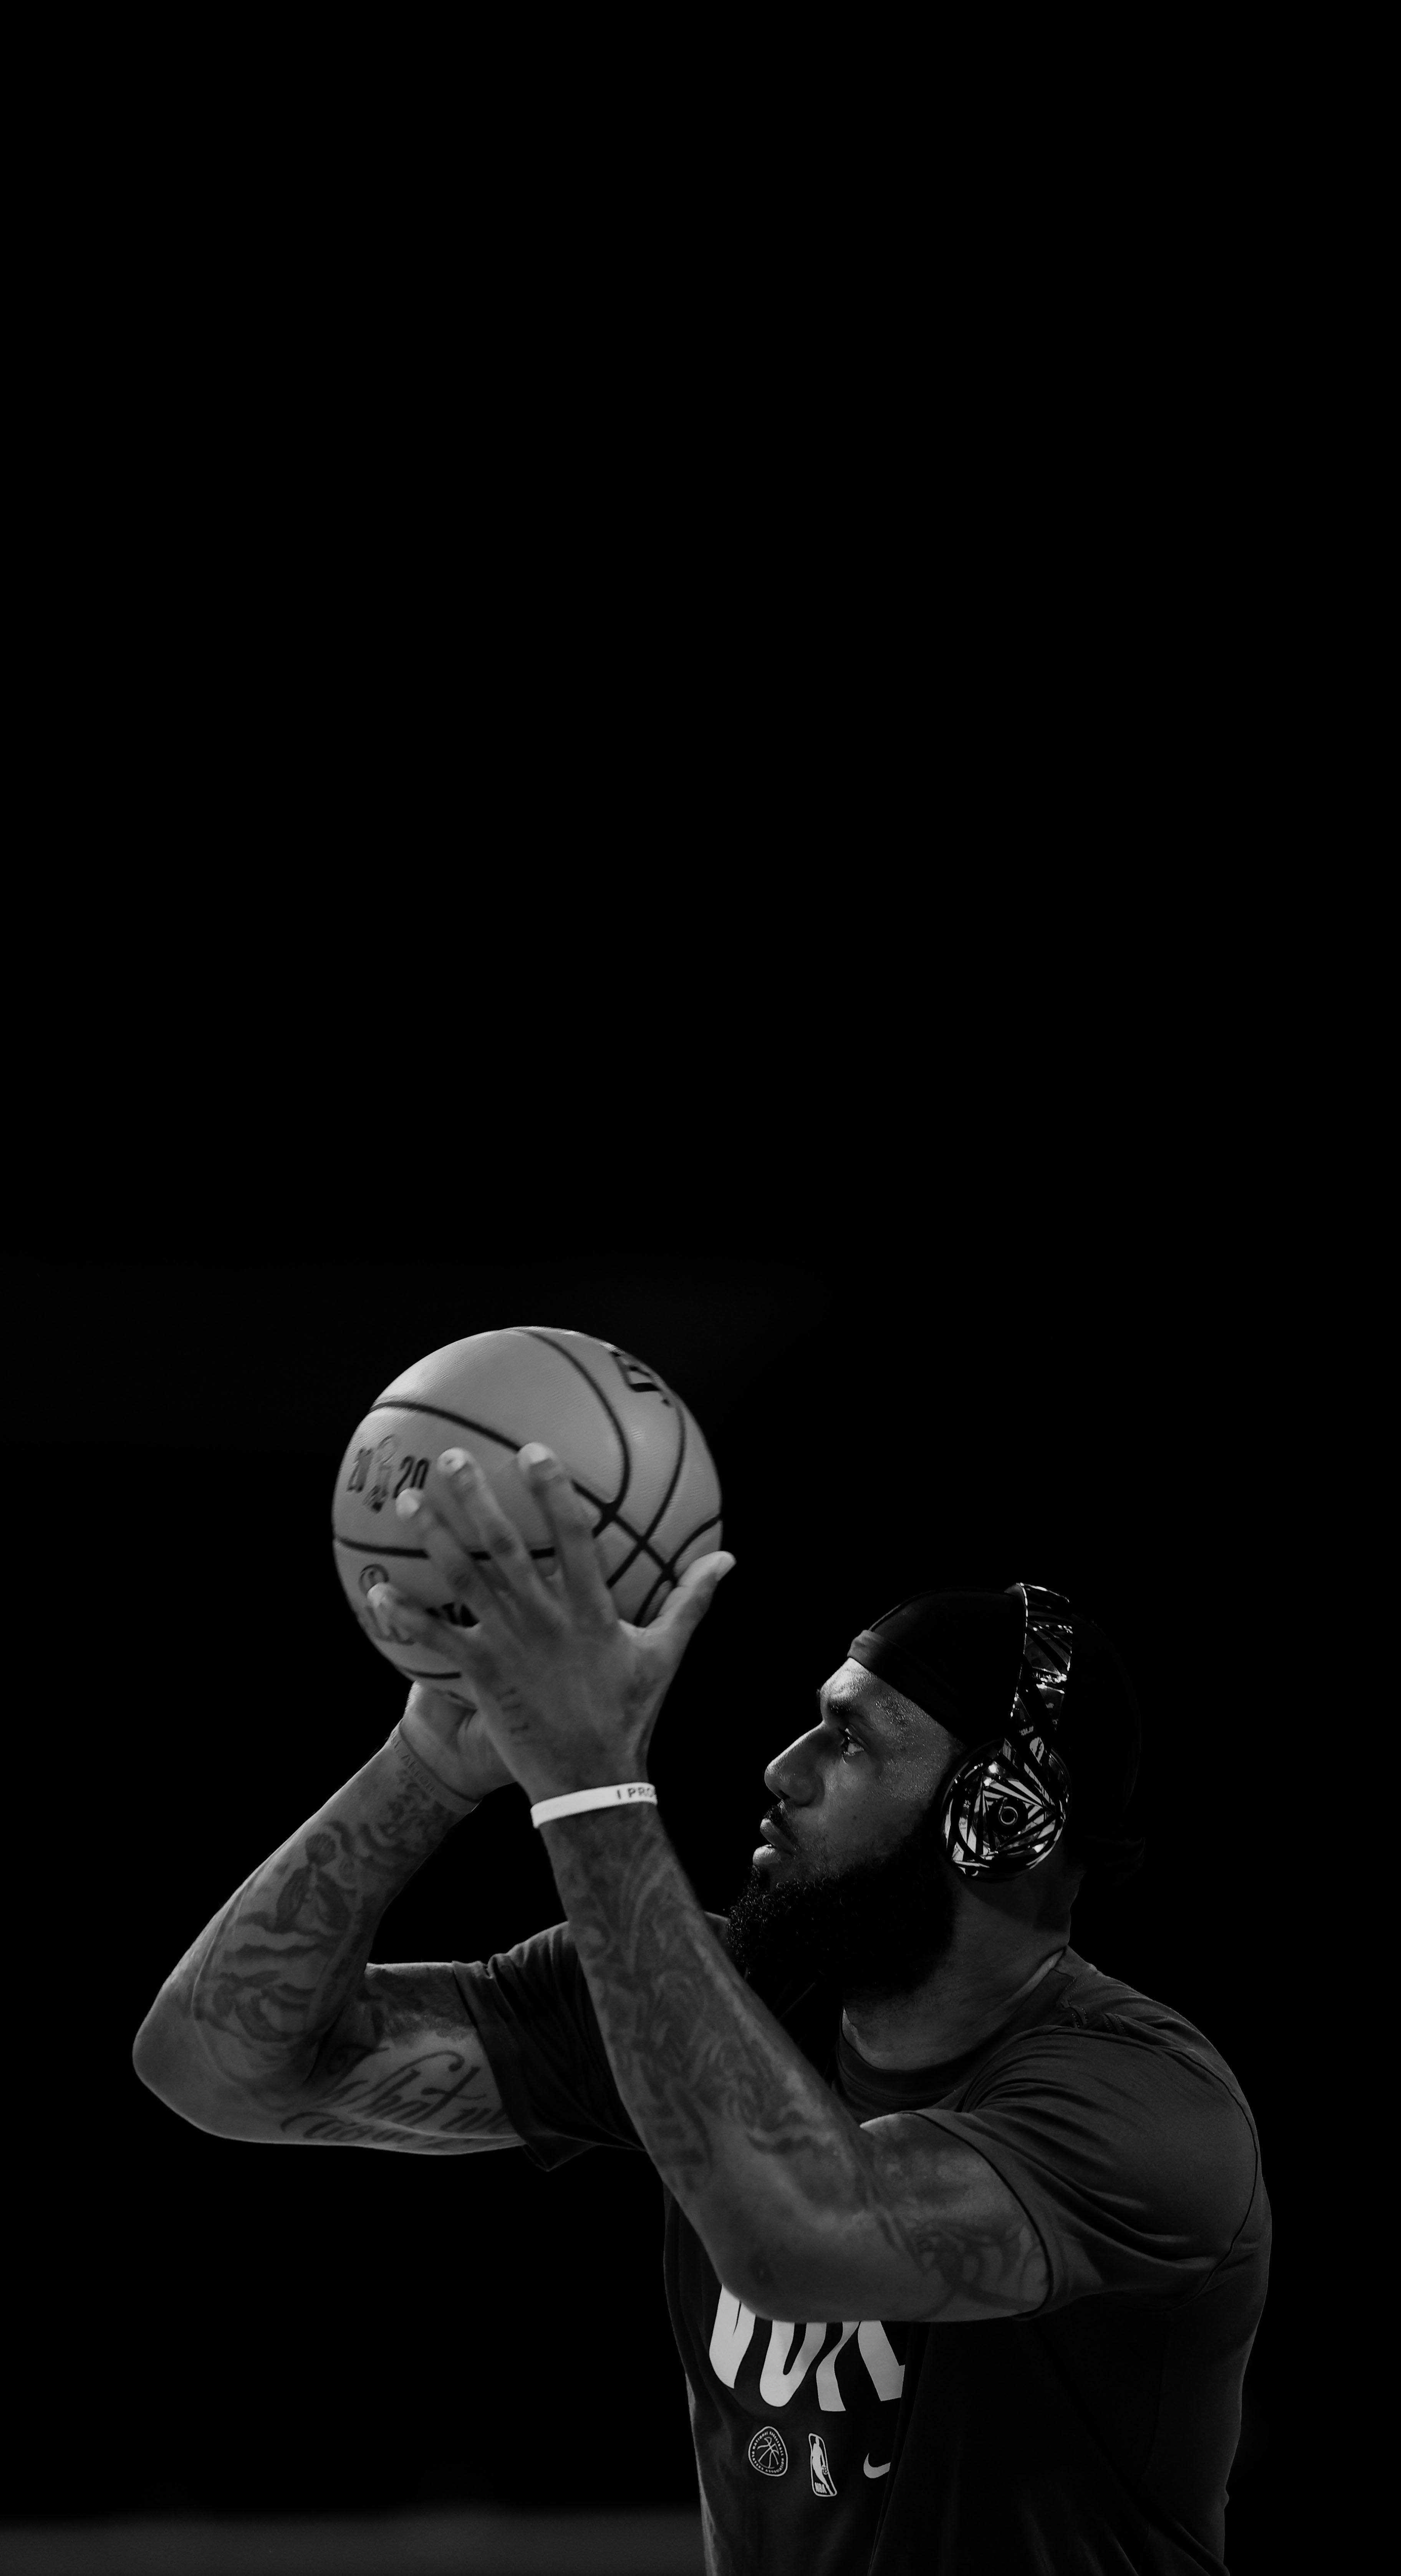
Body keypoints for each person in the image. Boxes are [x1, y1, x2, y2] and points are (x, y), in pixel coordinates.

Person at [134, 1442, 1270, 2575]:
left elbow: (796, 2237)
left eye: (855, 1737)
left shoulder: (1145, 2109)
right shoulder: (704, 1995)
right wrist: (430, 1758)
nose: (784, 1765)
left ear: (1000, 1819)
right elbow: (215, 2063)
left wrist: (587, 1781)